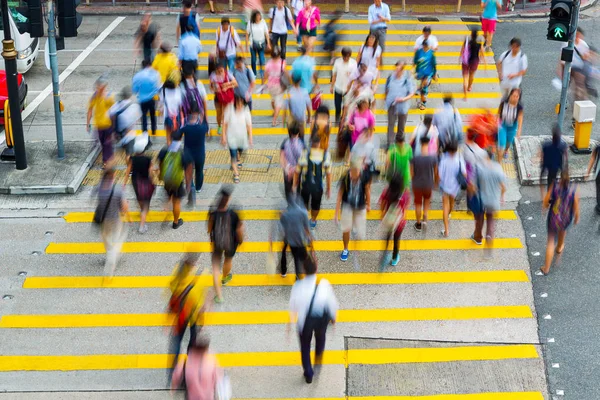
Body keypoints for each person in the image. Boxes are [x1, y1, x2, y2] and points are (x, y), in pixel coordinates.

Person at [288, 256, 338, 384]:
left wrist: (289, 325)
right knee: (320, 339)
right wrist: (333, 319)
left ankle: (308, 373)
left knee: (305, 346)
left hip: (305, 322)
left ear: (303, 270)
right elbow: (332, 303)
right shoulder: (324, 285)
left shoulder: (298, 286)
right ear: (316, 269)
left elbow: (293, 307)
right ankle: (318, 362)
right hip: (320, 321)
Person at [167, 253, 208, 382]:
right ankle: (190, 373)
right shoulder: (202, 275)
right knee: (193, 343)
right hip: (195, 315)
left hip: (180, 313)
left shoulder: (177, 272)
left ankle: (172, 375)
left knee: (177, 342)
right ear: (196, 261)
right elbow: (203, 301)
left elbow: (172, 290)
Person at [208, 187, 244, 303]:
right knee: (228, 260)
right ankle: (224, 278)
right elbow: (239, 230)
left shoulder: (213, 212)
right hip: (231, 242)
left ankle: (219, 296)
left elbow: (209, 229)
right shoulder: (234, 213)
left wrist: (211, 236)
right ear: (228, 200)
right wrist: (241, 240)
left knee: (215, 268)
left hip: (217, 242)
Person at [541, 170, 579, 275]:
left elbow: (546, 201)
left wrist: (544, 208)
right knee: (563, 231)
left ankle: (546, 268)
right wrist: (576, 218)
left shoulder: (555, 187)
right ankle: (559, 247)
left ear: (560, 179)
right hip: (566, 219)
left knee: (550, 242)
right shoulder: (573, 190)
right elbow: (576, 206)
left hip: (553, 218)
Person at [95, 167, 129, 277]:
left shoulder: (99, 187)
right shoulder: (118, 190)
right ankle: (112, 258)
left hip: (104, 219)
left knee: (106, 238)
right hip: (115, 219)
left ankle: (110, 253)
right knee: (120, 237)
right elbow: (124, 208)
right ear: (113, 176)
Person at [335, 159, 371, 262]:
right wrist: (336, 212)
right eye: (354, 171)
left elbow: (367, 190)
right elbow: (340, 194)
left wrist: (369, 204)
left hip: (360, 207)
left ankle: (355, 234)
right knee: (346, 229)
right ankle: (346, 249)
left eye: (358, 170)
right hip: (347, 206)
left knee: (360, 233)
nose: (356, 173)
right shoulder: (345, 177)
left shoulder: (364, 176)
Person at [295, 134, 332, 229]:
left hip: (305, 186)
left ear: (310, 144)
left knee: (303, 203)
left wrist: (294, 185)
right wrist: (329, 189)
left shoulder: (304, 154)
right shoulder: (325, 155)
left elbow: (297, 171)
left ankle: (304, 219)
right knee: (316, 205)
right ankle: (313, 220)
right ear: (319, 144)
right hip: (318, 187)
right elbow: (328, 174)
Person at [158, 130, 193, 229]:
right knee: (176, 202)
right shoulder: (183, 153)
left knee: (169, 193)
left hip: (167, 179)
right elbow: (188, 170)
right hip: (177, 182)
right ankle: (176, 222)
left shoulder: (164, 150)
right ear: (181, 138)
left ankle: (167, 206)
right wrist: (188, 184)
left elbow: (160, 162)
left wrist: (160, 175)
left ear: (171, 138)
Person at [472, 153, 506, 248]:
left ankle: (478, 236)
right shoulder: (498, 168)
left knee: (480, 218)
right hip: (494, 201)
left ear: (486, 157)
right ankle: (489, 236)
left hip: (483, 200)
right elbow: (503, 187)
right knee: (490, 219)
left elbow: (474, 186)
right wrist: (502, 197)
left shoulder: (481, 169)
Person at [274, 194, 312, 278]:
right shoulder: (302, 212)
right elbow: (307, 228)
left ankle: (283, 270)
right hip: (298, 239)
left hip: (288, 236)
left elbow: (281, 225)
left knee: (284, 252)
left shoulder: (284, 213)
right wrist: (309, 240)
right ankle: (298, 276)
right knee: (297, 258)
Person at [124, 134, 155, 234]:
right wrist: (154, 180)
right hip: (146, 183)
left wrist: (124, 183)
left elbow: (128, 172)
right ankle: (142, 225)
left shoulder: (132, 159)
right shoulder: (148, 159)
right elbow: (151, 172)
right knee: (146, 205)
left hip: (136, 182)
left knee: (140, 199)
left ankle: (142, 211)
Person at [180, 101, 209, 204]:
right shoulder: (202, 127)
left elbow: (178, 133)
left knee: (189, 171)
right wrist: (203, 117)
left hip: (188, 153)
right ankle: (198, 187)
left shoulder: (186, 127)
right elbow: (207, 128)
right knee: (199, 170)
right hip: (200, 153)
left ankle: (191, 186)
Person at [379, 174, 409, 268]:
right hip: (399, 222)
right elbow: (405, 209)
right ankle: (394, 258)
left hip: (389, 220)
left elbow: (382, 205)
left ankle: (385, 254)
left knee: (387, 237)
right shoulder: (404, 195)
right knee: (396, 239)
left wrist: (382, 214)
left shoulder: (386, 192)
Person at [222, 95, 253, 184]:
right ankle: (236, 173)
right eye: (238, 104)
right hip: (231, 137)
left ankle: (238, 159)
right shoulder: (230, 108)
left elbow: (249, 125)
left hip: (242, 137)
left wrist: (250, 137)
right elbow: (225, 123)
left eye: (241, 103)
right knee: (233, 155)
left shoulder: (246, 109)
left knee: (240, 151)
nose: (240, 106)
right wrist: (224, 136)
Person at [438, 140, 466, 237]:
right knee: (452, 201)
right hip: (455, 186)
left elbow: (440, 176)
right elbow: (465, 174)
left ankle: (446, 230)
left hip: (445, 186)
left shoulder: (444, 160)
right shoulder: (459, 158)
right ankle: (450, 213)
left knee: (445, 205)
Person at [385, 60, 416, 148]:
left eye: (399, 69)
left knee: (401, 126)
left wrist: (403, 99)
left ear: (403, 70)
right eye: (396, 69)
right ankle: (390, 144)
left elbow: (412, 93)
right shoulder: (390, 77)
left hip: (403, 106)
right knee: (391, 124)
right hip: (392, 104)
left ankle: (399, 141)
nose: (397, 71)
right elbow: (387, 89)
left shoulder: (407, 78)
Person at [411, 135, 438, 232]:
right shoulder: (433, 158)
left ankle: (418, 224)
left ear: (420, 143)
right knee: (426, 202)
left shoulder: (415, 158)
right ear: (428, 143)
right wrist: (435, 183)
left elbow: (411, 173)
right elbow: (436, 173)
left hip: (417, 185)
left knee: (418, 204)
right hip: (428, 184)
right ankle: (425, 219)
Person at [87, 76, 115, 166]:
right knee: (103, 143)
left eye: (101, 87)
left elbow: (114, 110)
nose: (98, 89)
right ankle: (108, 158)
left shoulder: (109, 96)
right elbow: (90, 110)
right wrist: (87, 123)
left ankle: (106, 161)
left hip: (108, 124)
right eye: (98, 87)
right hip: (99, 125)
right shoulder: (94, 96)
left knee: (107, 143)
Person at [109, 86, 143, 157]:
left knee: (117, 152)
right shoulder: (135, 106)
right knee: (129, 154)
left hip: (118, 133)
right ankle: (129, 166)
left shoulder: (117, 104)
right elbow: (139, 118)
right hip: (130, 134)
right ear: (130, 95)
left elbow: (110, 114)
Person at [132, 59, 162, 137]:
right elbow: (158, 87)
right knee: (153, 114)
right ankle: (154, 129)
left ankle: (144, 131)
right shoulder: (155, 74)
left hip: (142, 99)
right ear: (150, 65)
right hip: (152, 98)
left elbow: (134, 89)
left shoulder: (137, 76)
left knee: (144, 115)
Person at [210, 62, 238, 135]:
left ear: (224, 69)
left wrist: (227, 85)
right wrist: (216, 90)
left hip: (226, 95)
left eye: (221, 71)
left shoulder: (228, 73)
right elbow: (211, 87)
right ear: (216, 70)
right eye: (218, 71)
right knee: (219, 113)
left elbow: (235, 83)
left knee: (224, 114)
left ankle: (225, 128)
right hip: (217, 96)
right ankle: (219, 126)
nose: (220, 72)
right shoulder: (213, 75)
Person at [331, 47, 357, 124]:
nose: (346, 58)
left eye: (347, 57)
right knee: (337, 105)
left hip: (348, 89)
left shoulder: (353, 63)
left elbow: (354, 77)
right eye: (344, 56)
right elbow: (334, 74)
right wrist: (332, 86)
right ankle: (337, 116)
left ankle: (343, 118)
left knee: (346, 105)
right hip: (338, 87)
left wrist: (350, 87)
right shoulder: (337, 62)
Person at [460, 28, 487, 101]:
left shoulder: (467, 40)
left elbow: (462, 49)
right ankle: (469, 87)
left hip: (466, 61)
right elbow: (482, 53)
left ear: (471, 34)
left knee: (465, 77)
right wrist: (485, 63)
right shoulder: (479, 42)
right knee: (471, 75)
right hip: (474, 61)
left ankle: (465, 94)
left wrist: (460, 58)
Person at [497, 87, 523, 161]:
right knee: (502, 144)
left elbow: (520, 117)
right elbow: (499, 112)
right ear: (510, 95)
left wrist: (519, 130)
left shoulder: (519, 107)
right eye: (513, 96)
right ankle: (499, 163)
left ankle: (506, 150)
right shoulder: (504, 102)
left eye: (517, 96)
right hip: (503, 125)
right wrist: (496, 121)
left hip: (512, 126)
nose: (515, 98)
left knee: (508, 142)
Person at [265, 47, 289, 126]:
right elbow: (286, 73)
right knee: (278, 103)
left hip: (271, 86)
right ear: (279, 55)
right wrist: (290, 81)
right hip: (280, 86)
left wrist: (262, 83)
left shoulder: (268, 63)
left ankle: (274, 111)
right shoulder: (282, 63)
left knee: (273, 100)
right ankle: (274, 121)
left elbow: (265, 75)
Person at [281, 121, 306, 197]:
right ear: (299, 132)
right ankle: (298, 201)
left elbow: (282, 157)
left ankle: (290, 204)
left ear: (289, 132)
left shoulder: (285, 142)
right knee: (299, 186)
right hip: (298, 170)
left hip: (288, 170)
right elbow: (304, 159)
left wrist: (287, 168)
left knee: (288, 188)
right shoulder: (302, 144)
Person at [246, 10, 271, 79]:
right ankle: (254, 73)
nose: (258, 17)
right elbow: (247, 34)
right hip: (253, 44)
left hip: (262, 44)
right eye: (257, 16)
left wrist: (268, 43)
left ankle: (262, 72)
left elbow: (266, 33)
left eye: (259, 15)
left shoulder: (263, 22)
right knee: (253, 60)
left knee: (262, 59)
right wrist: (246, 46)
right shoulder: (250, 23)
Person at [413, 40, 437, 110]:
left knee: (423, 88)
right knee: (419, 88)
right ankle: (421, 99)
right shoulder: (418, 52)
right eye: (424, 46)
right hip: (419, 74)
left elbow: (434, 65)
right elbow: (415, 62)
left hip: (427, 74)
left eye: (426, 46)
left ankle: (423, 103)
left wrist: (434, 74)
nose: (425, 48)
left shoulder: (431, 54)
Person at [160, 79, 183, 147]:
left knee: (168, 136)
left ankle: (170, 149)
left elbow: (161, 104)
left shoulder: (163, 91)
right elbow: (181, 105)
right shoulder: (178, 90)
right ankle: (177, 149)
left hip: (167, 117)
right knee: (178, 135)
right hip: (177, 116)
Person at [585, 139, 600, 214]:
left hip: (599, 174)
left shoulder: (598, 147)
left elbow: (593, 158)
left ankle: (599, 205)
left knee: (599, 189)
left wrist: (588, 172)